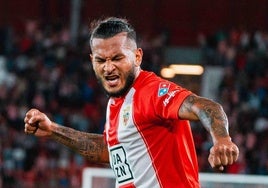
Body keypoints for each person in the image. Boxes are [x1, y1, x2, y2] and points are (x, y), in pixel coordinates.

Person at [24, 17, 239, 188]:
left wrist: (222, 140)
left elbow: (205, 106)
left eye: (117, 58)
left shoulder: (150, 91)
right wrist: (53, 130)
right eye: (101, 60)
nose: (108, 68)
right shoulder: (116, 102)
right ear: (92, 61)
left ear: (137, 57)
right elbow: (109, 151)